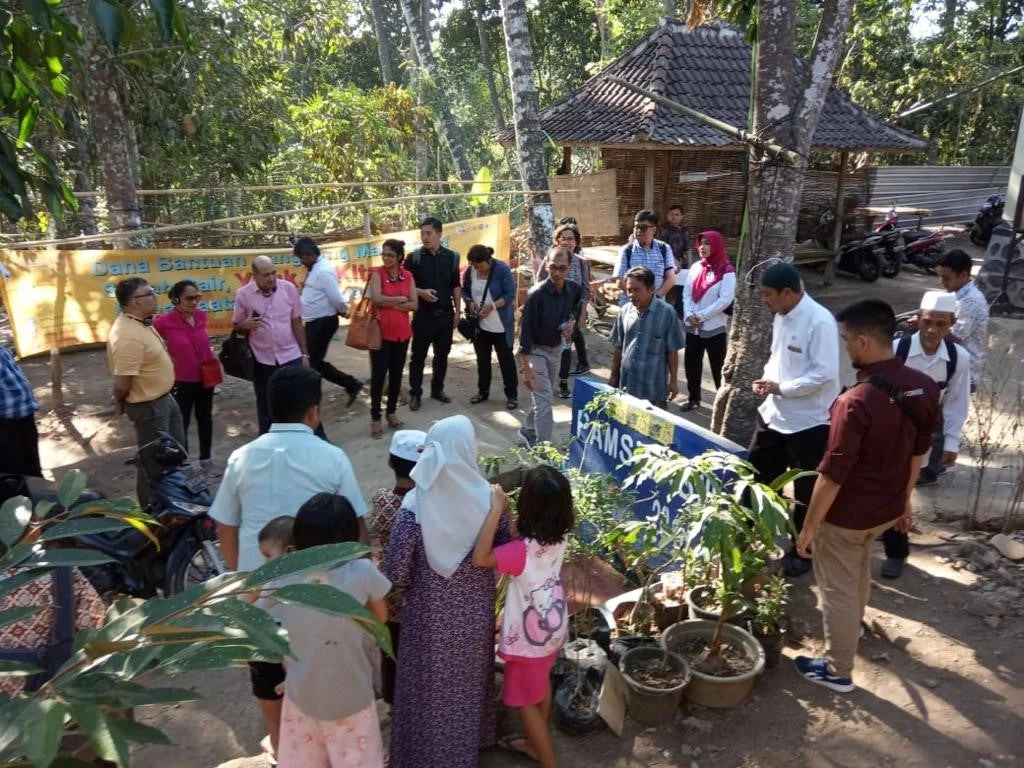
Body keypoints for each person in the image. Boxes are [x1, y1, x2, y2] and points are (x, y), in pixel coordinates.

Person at [208, 365, 368, 757]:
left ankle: (283, 749)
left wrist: (242, 576)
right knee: (320, 677)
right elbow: (357, 531)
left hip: (259, 600)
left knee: (267, 680)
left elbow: (224, 525)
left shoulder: (241, 458)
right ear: (314, 412)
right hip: (319, 598)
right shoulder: (332, 458)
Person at [794, 299, 939, 694]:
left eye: (845, 339)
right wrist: (905, 499)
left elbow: (832, 474)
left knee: (837, 586)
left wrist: (808, 527)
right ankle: (852, 628)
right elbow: (919, 451)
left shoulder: (853, 401)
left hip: (848, 514)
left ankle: (838, 671)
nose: (844, 347)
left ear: (861, 340)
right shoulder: (923, 385)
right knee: (857, 569)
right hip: (886, 508)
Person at [385, 416, 508, 768]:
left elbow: (398, 572)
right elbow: (505, 551)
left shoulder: (414, 505)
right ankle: (467, 747)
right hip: (474, 615)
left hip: (429, 619)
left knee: (428, 690)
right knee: (467, 686)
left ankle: (424, 755)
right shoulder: (490, 499)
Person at [269, 493, 390, 768]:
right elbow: (380, 617)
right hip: (352, 697)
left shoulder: (285, 574)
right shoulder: (362, 570)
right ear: (349, 536)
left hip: (301, 694)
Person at [473, 465, 574, 768]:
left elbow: (480, 558)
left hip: (530, 640)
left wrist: (495, 510)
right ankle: (534, 742)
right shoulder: (561, 534)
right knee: (540, 684)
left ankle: (548, 761)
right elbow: (523, 532)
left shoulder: (519, 552)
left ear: (526, 505)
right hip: (554, 624)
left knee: (525, 703)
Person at [748, 262, 840, 578]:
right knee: (759, 478)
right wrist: (766, 380)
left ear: (788, 293)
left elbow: (824, 373)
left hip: (809, 422)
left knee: (804, 492)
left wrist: (783, 388)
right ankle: (748, 535)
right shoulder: (781, 316)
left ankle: (803, 550)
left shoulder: (820, 322)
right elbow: (778, 358)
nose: (765, 300)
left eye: (768, 294)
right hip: (774, 415)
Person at [881, 290, 970, 578]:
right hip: (888, 431)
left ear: (952, 324)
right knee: (883, 486)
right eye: (927, 322)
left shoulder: (958, 358)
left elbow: (957, 401)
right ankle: (883, 530)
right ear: (917, 319)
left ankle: (896, 550)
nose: (932, 330)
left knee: (903, 489)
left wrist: (952, 441)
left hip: (921, 437)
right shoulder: (898, 350)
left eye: (941, 324)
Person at [107, 277, 186, 506]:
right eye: (149, 293)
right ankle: (152, 510)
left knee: (175, 454)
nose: (155, 297)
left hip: (163, 399)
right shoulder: (127, 335)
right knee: (154, 462)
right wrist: (119, 402)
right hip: (149, 407)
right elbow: (121, 384)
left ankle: (174, 501)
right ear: (134, 302)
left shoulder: (141, 322)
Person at [368, 428, 426, 706]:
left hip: (389, 590)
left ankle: (392, 698)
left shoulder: (382, 499)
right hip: (421, 587)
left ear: (391, 463)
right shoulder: (429, 504)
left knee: (391, 647)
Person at [231, 256, 309, 436]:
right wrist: (245, 325)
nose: (271, 278)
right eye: (266, 275)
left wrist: (305, 354)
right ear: (254, 275)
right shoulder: (243, 294)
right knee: (266, 404)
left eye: (273, 273)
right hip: (262, 359)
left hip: (291, 355)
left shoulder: (288, 289)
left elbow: (297, 322)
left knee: (299, 399)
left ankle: (306, 439)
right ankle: (267, 442)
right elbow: (236, 325)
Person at [153, 280, 221, 478]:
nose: (194, 302)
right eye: (189, 298)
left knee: (205, 418)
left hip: (205, 377)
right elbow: (150, 342)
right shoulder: (163, 322)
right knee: (181, 422)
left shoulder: (201, 316)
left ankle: (206, 459)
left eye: (197, 297)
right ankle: (183, 462)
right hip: (182, 380)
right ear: (176, 299)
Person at [518, 247, 583, 447]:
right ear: (546, 265)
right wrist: (526, 367)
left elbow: (574, 311)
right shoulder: (536, 294)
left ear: (569, 269)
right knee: (545, 400)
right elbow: (525, 331)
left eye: (562, 268)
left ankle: (527, 430)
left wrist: (571, 323)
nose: (556, 272)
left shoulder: (573, 289)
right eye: (553, 267)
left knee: (543, 397)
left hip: (556, 349)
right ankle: (543, 447)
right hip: (536, 351)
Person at [294, 237, 364, 408]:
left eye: (302, 258)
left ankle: (350, 383)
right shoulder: (315, 268)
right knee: (311, 360)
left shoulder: (323, 271)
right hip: (314, 321)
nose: (301, 262)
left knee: (312, 361)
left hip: (322, 322)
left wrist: (343, 310)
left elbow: (335, 297)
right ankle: (347, 384)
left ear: (310, 255)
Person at [405, 217, 461, 411]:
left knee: (442, 356)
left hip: (445, 315)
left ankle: (437, 390)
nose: (425, 237)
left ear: (439, 234)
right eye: (422, 233)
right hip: (423, 315)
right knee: (418, 357)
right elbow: (406, 285)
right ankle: (415, 394)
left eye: (429, 233)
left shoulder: (452, 257)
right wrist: (421, 293)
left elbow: (455, 285)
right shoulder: (414, 258)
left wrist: (457, 311)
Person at [609, 266, 685, 409]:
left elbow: (672, 351)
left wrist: (673, 381)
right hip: (627, 389)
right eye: (629, 290)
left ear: (651, 289)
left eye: (637, 290)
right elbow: (618, 347)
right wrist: (613, 376)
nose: (631, 294)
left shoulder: (667, 313)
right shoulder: (625, 311)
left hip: (654, 392)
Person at [679, 231, 736, 412]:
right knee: (691, 364)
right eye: (700, 243)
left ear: (716, 246)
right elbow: (687, 293)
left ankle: (722, 406)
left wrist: (701, 316)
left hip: (714, 328)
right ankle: (693, 398)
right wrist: (689, 315)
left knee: (718, 367)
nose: (702, 247)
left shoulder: (727, 271)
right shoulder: (696, 267)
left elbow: (725, 300)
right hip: (693, 327)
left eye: (707, 243)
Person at [368, 238, 418, 438]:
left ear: (399, 257)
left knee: (396, 375)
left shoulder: (408, 276)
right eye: (384, 254)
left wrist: (389, 303)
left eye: (390, 255)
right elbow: (376, 299)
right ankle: (375, 418)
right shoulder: (376, 274)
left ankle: (391, 413)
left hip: (402, 334)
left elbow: (415, 304)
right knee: (378, 377)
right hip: (381, 334)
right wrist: (398, 300)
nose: (386, 258)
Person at [537, 223, 592, 398]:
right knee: (550, 346)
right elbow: (539, 284)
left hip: (572, 312)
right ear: (557, 240)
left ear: (576, 242)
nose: (568, 242)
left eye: (571, 239)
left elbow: (585, 289)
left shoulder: (582, 262)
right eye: (564, 238)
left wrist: (582, 313)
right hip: (551, 310)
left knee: (566, 346)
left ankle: (563, 382)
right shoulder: (549, 260)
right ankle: (546, 380)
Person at [463, 244, 519, 410]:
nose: (477, 269)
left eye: (480, 266)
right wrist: (469, 302)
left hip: (500, 324)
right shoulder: (470, 270)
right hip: (480, 325)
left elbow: (510, 294)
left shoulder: (502, 269)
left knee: (506, 361)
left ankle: (512, 395)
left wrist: (492, 306)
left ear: (488, 261)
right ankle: (483, 391)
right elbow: (465, 290)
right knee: (482, 360)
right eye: (474, 265)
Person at [936, 248, 989, 390]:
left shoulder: (971, 301)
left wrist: (924, 325)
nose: (941, 282)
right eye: (940, 277)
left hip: (963, 374)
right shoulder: (956, 295)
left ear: (964, 275)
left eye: (946, 278)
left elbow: (954, 337)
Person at [613, 209, 676, 306]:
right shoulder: (626, 250)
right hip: (631, 306)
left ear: (653, 230)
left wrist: (655, 299)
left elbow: (671, 279)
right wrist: (638, 298)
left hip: (657, 306)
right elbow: (619, 281)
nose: (638, 231)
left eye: (643, 228)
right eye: (636, 227)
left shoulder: (664, 249)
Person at [0, 344, 41, 476]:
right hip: (5, 423)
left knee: (32, 469)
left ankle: (36, 488)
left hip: (24, 416)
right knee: (14, 473)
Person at [659, 204, 691, 271]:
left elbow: (687, 249)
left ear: (682, 216)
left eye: (676, 214)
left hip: (681, 261)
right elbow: (663, 247)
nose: (674, 217)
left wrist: (690, 264)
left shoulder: (685, 230)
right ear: (668, 215)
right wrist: (673, 260)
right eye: (672, 214)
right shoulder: (664, 229)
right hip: (666, 260)